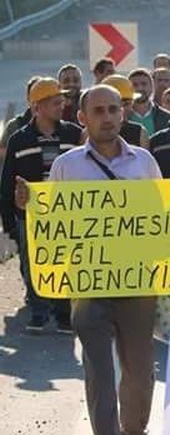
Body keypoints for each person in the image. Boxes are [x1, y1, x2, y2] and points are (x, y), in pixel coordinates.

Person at [16, 85, 163, 435]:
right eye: (98, 110)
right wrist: (30, 206)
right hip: (89, 283)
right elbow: (54, 222)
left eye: (114, 109)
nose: (108, 117)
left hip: (137, 284)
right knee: (98, 372)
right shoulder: (67, 165)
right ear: (82, 118)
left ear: (123, 114)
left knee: (139, 373)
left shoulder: (144, 162)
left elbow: (162, 219)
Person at [1, 78, 82, 332]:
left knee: (66, 262)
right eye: (56, 102)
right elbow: (6, 184)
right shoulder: (19, 139)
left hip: (67, 214)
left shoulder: (73, 134)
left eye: (62, 101)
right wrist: (9, 223)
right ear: (39, 107)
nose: (62, 105)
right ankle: (39, 312)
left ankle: (63, 314)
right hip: (31, 216)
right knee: (33, 262)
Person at [127, 68, 170, 137]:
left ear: (152, 87)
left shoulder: (167, 117)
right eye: (135, 85)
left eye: (144, 84)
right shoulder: (122, 116)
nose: (140, 88)